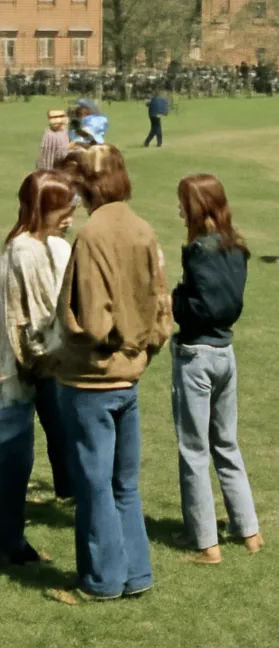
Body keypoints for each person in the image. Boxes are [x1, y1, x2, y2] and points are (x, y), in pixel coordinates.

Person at [46, 145, 172, 605]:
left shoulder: (91, 235)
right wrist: (142, 347)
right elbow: (162, 305)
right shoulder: (142, 227)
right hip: (129, 376)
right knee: (124, 484)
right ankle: (136, 574)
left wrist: (75, 332)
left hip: (90, 379)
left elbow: (91, 319)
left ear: (90, 183)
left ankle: (100, 581)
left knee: (93, 485)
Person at [171, 175, 262, 565]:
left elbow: (201, 308)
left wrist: (174, 298)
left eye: (182, 203)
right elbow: (229, 304)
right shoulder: (235, 247)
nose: (178, 210)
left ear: (197, 207)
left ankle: (206, 542)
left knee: (193, 449)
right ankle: (249, 531)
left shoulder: (198, 251)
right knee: (226, 444)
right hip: (226, 352)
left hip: (197, 355)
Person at [0, 171, 78, 566]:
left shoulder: (56, 246)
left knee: (46, 450)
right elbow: (27, 323)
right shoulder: (23, 251)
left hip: (51, 366)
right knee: (13, 458)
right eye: (64, 209)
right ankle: (10, 543)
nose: (70, 215)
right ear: (42, 209)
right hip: (19, 373)